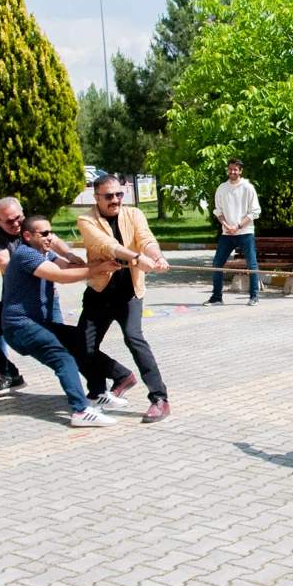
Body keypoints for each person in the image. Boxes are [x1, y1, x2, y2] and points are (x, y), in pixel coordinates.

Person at [1, 216, 122, 427]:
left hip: (36, 324)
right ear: (28, 236)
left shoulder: (43, 253)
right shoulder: (25, 254)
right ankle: (81, 411)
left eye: (51, 232)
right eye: (44, 234)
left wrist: (90, 263)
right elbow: (61, 277)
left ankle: (96, 394)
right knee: (63, 358)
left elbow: (67, 268)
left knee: (79, 341)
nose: (50, 237)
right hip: (20, 327)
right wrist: (97, 269)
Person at [77, 174, 174, 422]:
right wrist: (136, 259)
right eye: (108, 196)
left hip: (130, 293)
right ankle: (119, 376)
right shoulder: (86, 220)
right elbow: (106, 245)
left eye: (119, 194)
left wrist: (157, 256)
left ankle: (159, 398)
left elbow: (146, 239)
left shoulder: (134, 214)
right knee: (82, 349)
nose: (115, 200)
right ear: (96, 197)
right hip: (100, 293)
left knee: (134, 338)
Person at [0, 197, 83, 394]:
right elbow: (4, 264)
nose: (15, 224)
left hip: (45, 299)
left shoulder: (32, 228)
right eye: (8, 221)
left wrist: (71, 256)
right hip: (16, 305)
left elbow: (54, 242)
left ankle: (94, 388)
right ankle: (10, 374)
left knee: (62, 346)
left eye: (17, 218)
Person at [204, 159, 262, 306]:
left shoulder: (248, 188)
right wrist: (225, 225)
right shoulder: (222, 188)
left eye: (235, 169)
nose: (232, 172)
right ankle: (217, 297)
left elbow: (255, 211)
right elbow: (218, 211)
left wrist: (238, 226)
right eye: (230, 169)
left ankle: (254, 296)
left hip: (245, 232)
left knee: (252, 264)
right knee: (217, 263)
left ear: (240, 171)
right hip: (227, 233)